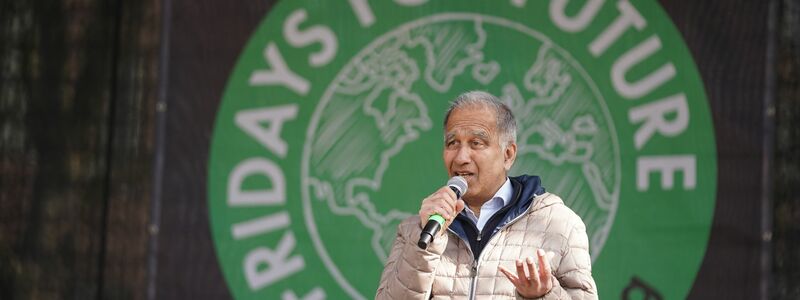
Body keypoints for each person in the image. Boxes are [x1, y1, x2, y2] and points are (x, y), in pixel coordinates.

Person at [376, 91, 598, 299]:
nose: (461, 157)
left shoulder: (559, 224)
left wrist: (545, 295)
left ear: (508, 155)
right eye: (453, 143)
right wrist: (423, 246)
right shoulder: (416, 229)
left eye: (476, 143)